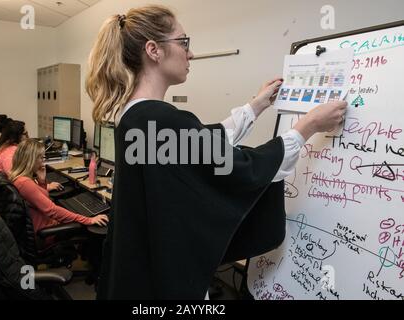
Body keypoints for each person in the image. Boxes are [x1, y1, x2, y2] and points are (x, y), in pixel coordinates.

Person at [86, 5, 347, 299]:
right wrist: (309, 125)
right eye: (183, 42)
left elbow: (202, 146)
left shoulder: (134, 117)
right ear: (153, 50)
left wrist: (255, 106)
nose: (191, 53)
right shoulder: (158, 119)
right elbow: (241, 169)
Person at [8, 139, 108, 235]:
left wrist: (42, 181)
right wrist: (88, 220)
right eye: (41, 158)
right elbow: (52, 210)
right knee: (89, 230)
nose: (43, 161)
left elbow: (43, 200)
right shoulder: (25, 183)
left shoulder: (19, 178)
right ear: (31, 160)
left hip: (42, 224)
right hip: (46, 231)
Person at [0, 120, 63, 192]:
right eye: (25, 134)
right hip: (2, 193)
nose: (28, 136)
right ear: (16, 136)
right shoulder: (10, 154)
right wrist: (46, 186)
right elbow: (18, 182)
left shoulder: (5, 145)